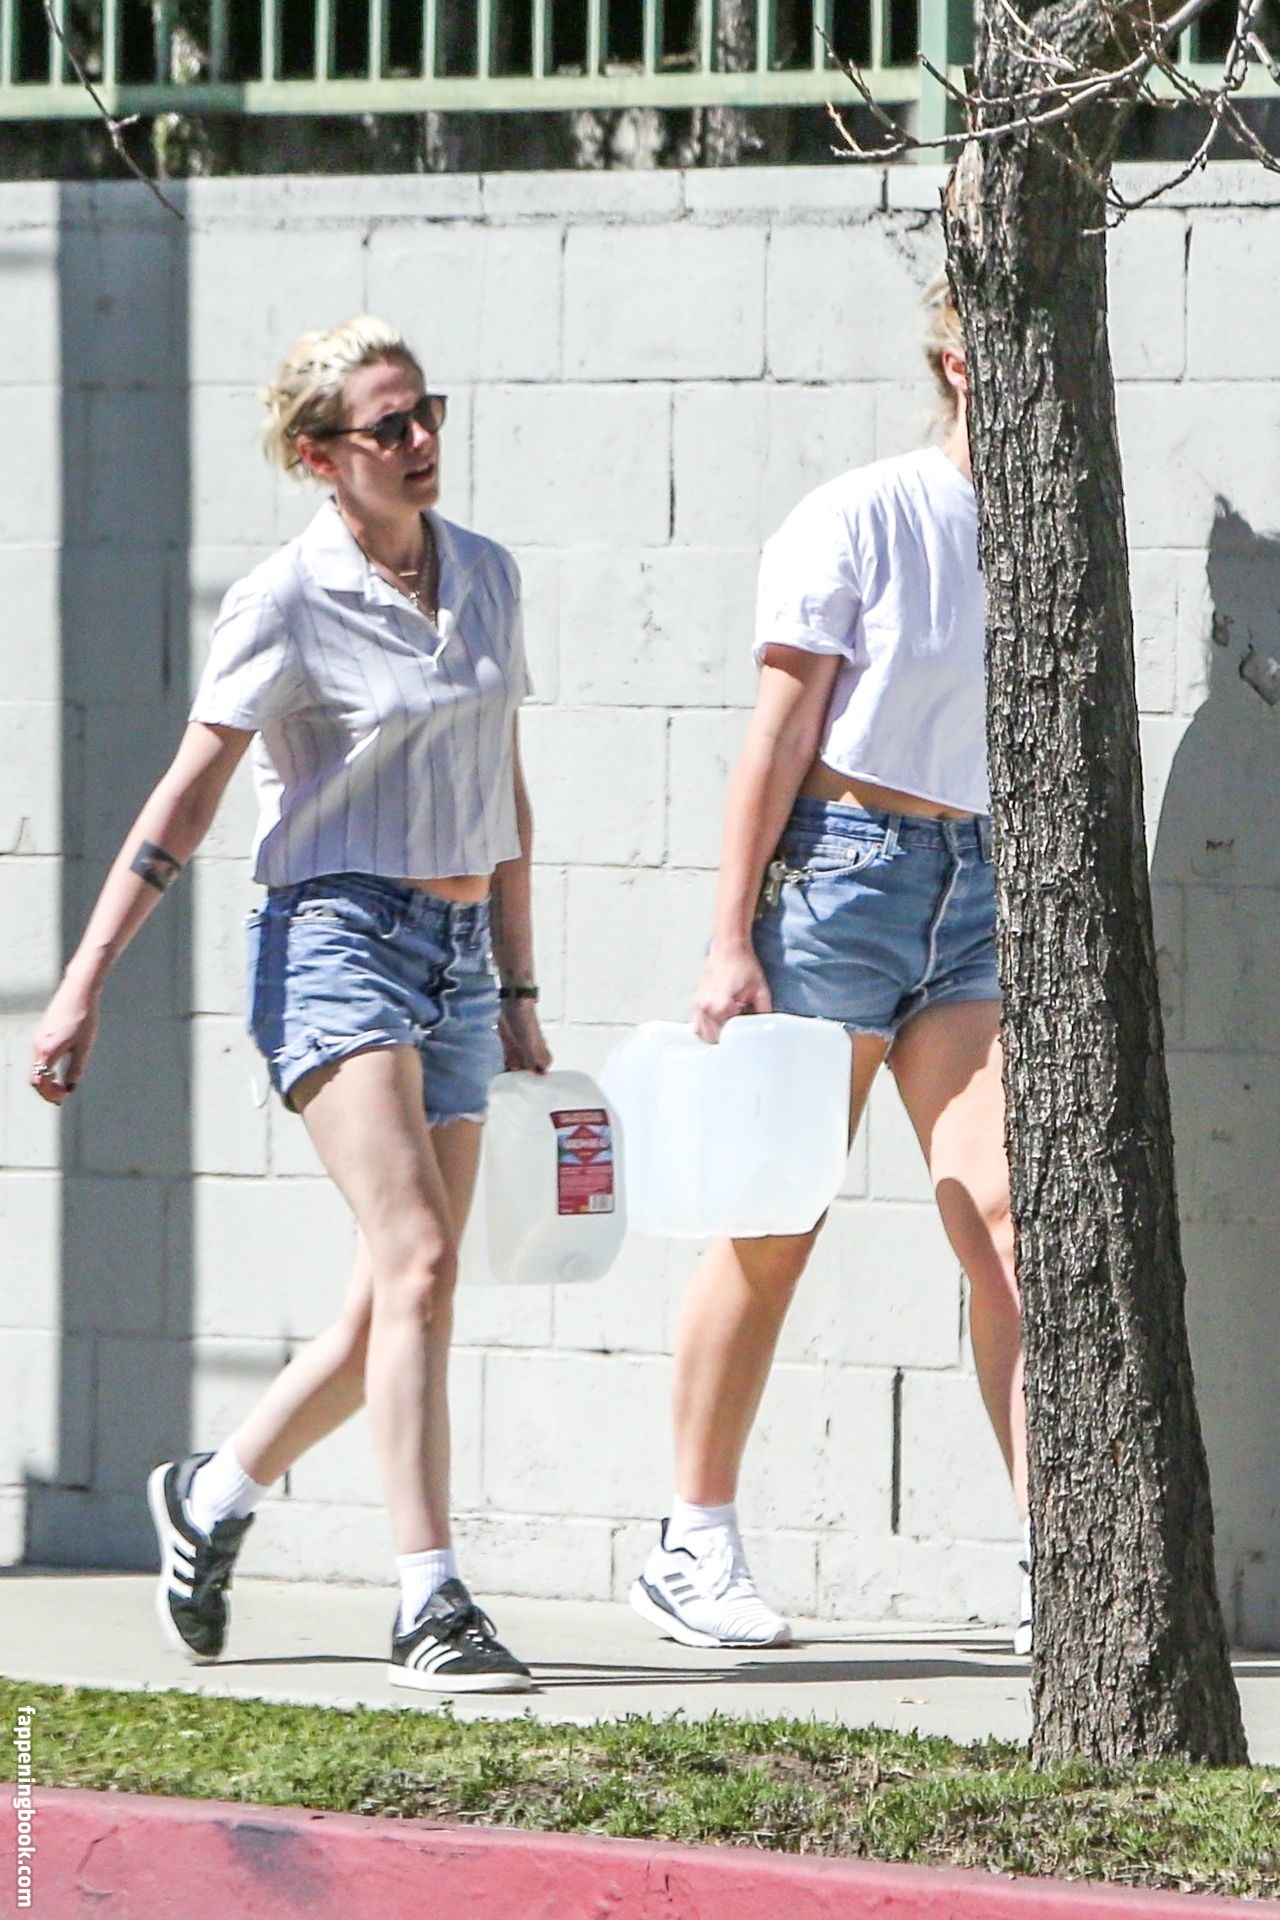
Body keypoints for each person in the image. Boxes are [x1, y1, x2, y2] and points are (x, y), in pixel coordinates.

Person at [30, 316, 548, 1695]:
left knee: (398, 1292)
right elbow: (189, 797)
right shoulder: (285, 599)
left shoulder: (486, 574)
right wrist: (82, 983)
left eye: (428, 412)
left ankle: (213, 1492)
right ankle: (430, 1601)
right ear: (322, 457)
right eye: (390, 426)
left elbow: (505, 788)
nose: (422, 441)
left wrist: (518, 982)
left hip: (457, 957)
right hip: (334, 941)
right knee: (419, 1262)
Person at [630, 280, 1032, 1655]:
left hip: (973, 891)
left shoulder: (1042, 530)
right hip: (839, 880)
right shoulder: (862, 513)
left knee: (1008, 1224)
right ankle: (691, 1544)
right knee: (773, 1221)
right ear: (955, 360)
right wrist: (728, 937)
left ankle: (1056, 1562)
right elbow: (778, 734)